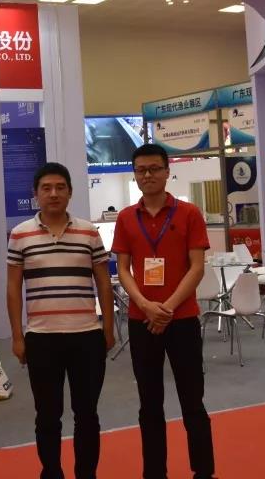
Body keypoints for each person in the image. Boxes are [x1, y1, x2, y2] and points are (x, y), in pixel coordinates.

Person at [112, 144, 215, 479]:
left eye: (154, 168)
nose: (148, 175)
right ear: (135, 175)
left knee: (193, 402)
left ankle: (204, 471)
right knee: (149, 404)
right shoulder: (126, 218)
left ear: (167, 171)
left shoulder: (189, 213)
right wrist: (145, 305)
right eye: (141, 170)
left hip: (182, 320)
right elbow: (123, 269)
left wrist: (167, 308)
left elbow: (197, 267)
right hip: (142, 322)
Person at [7, 162, 114, 479]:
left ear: (70, 192)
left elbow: (103, 283)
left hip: (86, 336)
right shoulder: (20, 234)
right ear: (35, 194)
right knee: (47, 416)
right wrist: (17, 336)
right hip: (42, 339)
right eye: (46, 188)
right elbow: (13, 288)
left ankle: (86, 474)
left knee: (87, 414)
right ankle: (51, 472)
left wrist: (108, 329)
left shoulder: (88, 232)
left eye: (60, 187)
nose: (53, 193)